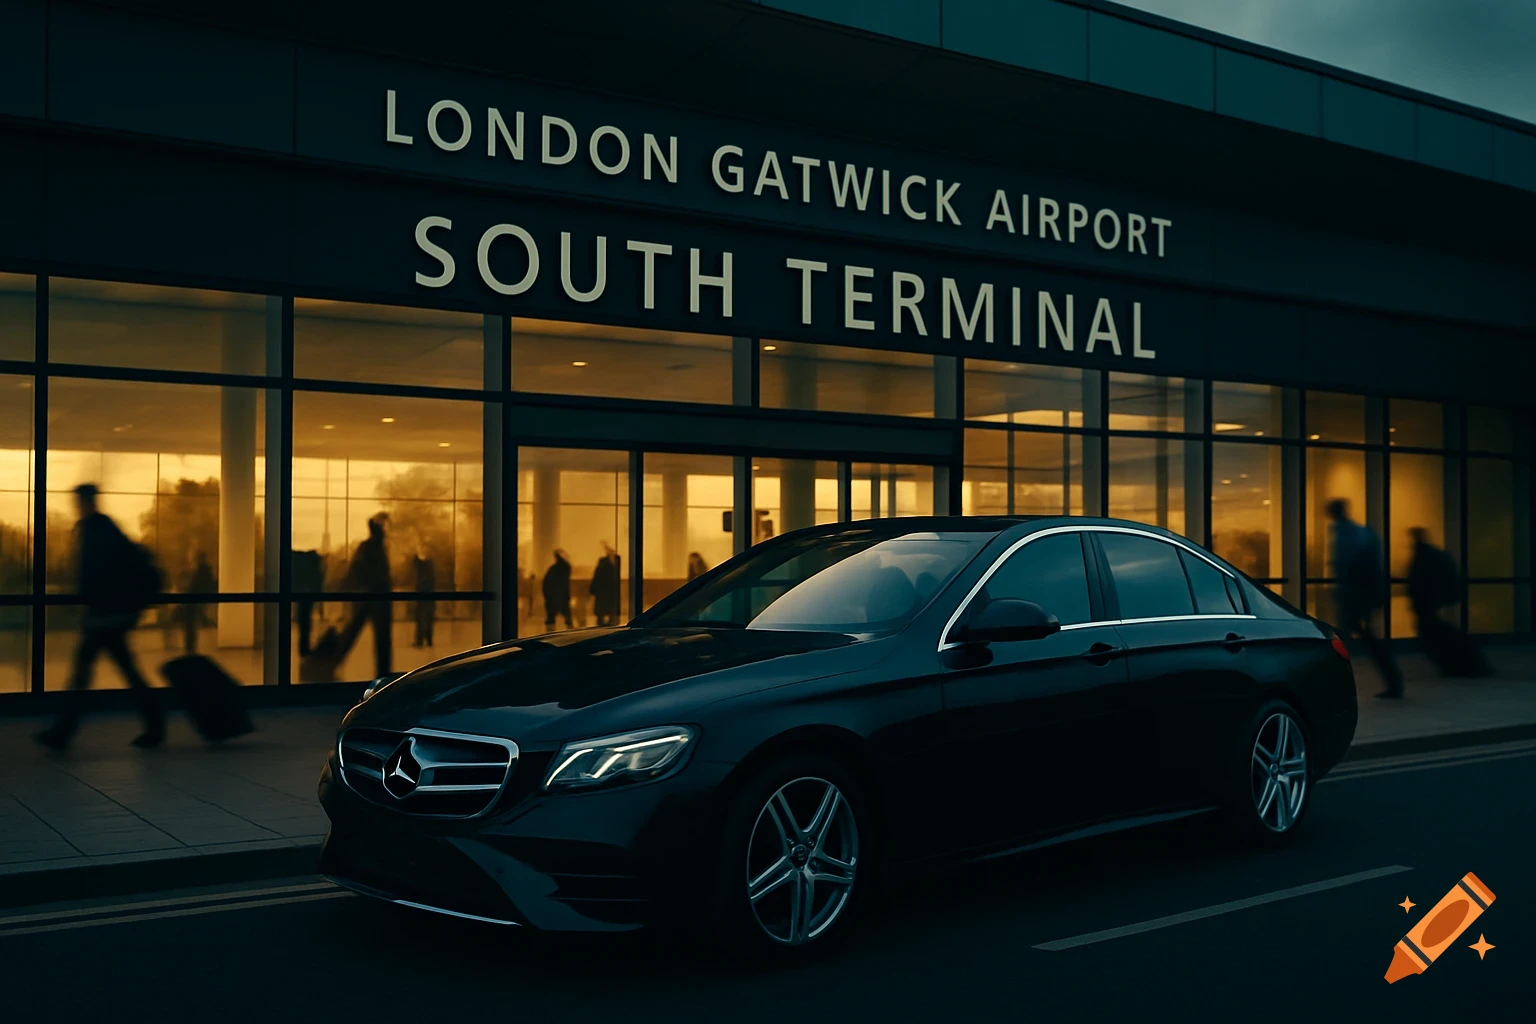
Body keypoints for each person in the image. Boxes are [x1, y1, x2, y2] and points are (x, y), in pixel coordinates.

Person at [37, 484, 165, 750]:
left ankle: (63, 732)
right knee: (122, 671)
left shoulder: (94, 530)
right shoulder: (105, 528)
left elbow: (94, 573)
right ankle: (154, 724)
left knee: (84, 674)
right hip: (112, 614)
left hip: (104, 615)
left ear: (85, 501)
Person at [1327, 498, 1404, 698]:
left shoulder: (1347, 534)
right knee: (1360, 639)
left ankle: (1335, 686)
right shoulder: (1359, 533)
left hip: (1354, 595)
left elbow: (1346, 566)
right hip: (1359, 595)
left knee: (1344, 639)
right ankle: (1393, 681)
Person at [1407, 527, 1489, 677]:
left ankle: (1455, 664)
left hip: (1429, 599)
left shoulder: (1424, 556)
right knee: (1435, 630)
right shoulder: (1433, 554)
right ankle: (1459, 663)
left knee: (1431, 631)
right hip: (1434, 599)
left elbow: (1419, 580)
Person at [338, 514, 393, 677]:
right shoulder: (373, 548)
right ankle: (384, 673)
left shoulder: (371, 547)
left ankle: (332, 661)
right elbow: (361, 570)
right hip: (375, 597)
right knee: (379, 638)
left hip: (372, 596)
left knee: (354, 633)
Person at [180, 549, 215, 653]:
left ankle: (190, 647)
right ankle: (190, 646)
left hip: (194, 600)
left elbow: (197, 585)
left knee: (190, 624)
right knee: (191, 624)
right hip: (196, 600)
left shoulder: (202, 570)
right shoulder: (203, 569)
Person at [590, 542, 622, 627]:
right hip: (606, 590)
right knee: (604, 612)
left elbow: (597, 575)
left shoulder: (612, 560)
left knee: (606, 611)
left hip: (606, 590)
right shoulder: (606, 561)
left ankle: (605, 623)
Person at [542, 549, 573, 630]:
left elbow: (546, 584)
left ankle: (549, 634)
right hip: (562, 596)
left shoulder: (552, 569)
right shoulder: (565, 568)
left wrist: (546, 595)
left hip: (551, 597)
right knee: (567, 616)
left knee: (551, 617)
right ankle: (571, 633)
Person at [412, 546, 436, 648]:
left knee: (421, 617)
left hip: (422, 594)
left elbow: (416, 562)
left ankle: (420, 640)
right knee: (428, 618)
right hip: (429, 595)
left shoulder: (422, 568)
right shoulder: (430, 569)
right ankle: (428, 639)